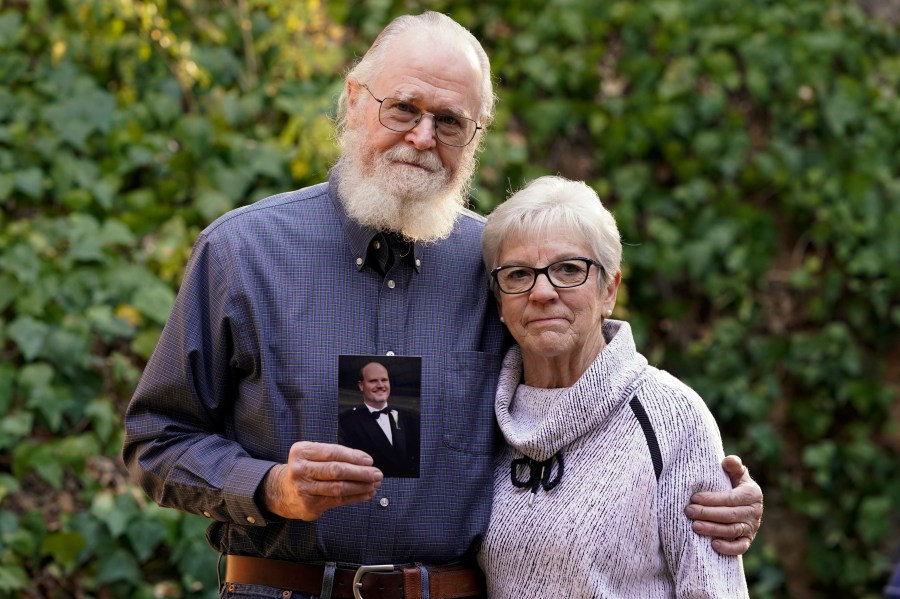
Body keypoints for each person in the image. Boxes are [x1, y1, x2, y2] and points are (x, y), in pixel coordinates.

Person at [122, 11, 762, 599]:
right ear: (354, 101)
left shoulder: (498, 264)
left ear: (475, 136)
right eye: (403, 109)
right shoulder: (244, 252)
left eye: (451, 121)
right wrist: (269, 488)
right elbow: (156, 440)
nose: (423, 137)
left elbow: (579, 393)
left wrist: (697, 481)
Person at [477, 176, 749, 597]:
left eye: (568, 269)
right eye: (518, 274)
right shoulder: (479, 415)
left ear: (609, 289)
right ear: (499, 302)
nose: (543, 292)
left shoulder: (672, 418)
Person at [339, 361, 420, 477]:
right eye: (373, 381)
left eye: (384, 380)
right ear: (361, 386)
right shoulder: (346, 422)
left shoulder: (410, 418)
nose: (380, 385)